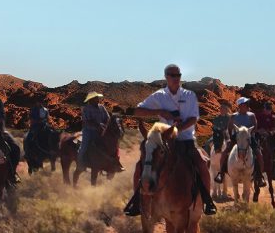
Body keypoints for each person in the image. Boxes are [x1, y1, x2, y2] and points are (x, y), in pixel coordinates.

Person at [124, 64, 217, 216]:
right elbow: (137, 110)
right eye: (172, 75)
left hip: (186, 140)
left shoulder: (189, 96)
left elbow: (193, 118)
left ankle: (207, 200)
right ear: (166, 77)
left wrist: (176, 130)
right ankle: (137, 202)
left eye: (178, 75)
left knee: (201, 163)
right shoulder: (159, 96)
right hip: (163, 140)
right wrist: (160, 111)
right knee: (140, 166)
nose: (176, 78)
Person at [216, 97, 262, 185]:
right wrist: (229, 138)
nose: (246, 106)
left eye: (246, 105)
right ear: (240, 106)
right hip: (236, 136)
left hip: (248, 137)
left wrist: (250, 133)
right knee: (225, 153)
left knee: (258, 153)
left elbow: (255, 127)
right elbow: (229, 128)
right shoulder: (234, 116)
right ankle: (221, 173)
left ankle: (259, 176)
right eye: (244, 105)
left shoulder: (251, 115)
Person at [78, 92, 110, 169]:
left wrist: (105, 126)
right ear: (91, 99)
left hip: (101, 129)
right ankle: (80, 162)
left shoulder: (102, 107)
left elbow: (107, 117)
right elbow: (87, 121)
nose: (98, 99)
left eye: (97, 98)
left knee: (111, 144)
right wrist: (98, 125)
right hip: (89, 130)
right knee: (84, 146)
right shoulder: (86, 108)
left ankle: (114, 163)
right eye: (96, 98)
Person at [256, 101, 275, 183]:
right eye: (267, 109)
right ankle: (255, 172)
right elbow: (255, 126)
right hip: (259, 135)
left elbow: (274, 128)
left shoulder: (273, 117)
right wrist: (259, 131)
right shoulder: (258, 116)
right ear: (264, 109)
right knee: (254, 149)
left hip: (269, 136)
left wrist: (270, 132)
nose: (268, 111)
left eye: (269, 109)